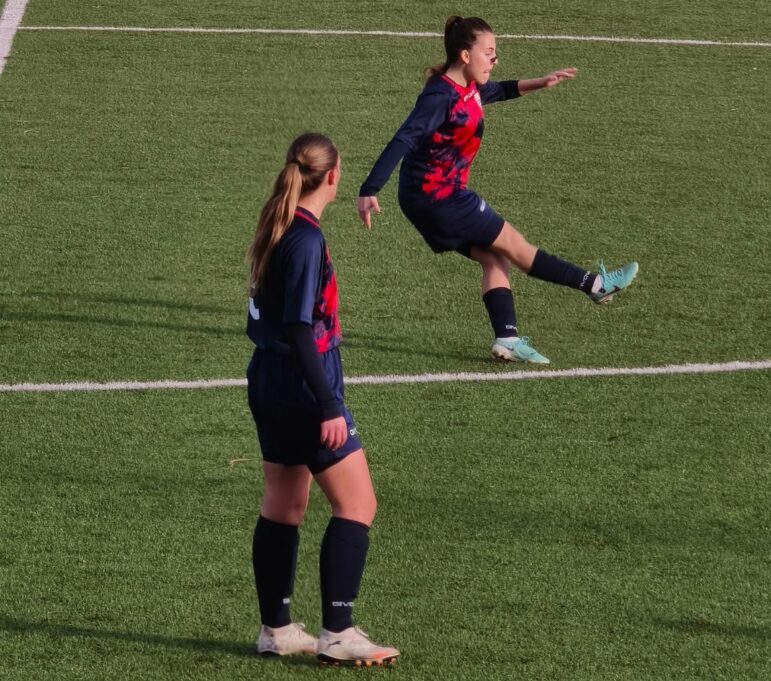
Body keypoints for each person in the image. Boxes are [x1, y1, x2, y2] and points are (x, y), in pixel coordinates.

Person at [357, 15, 639, 365]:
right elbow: (405, 137)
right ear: (464, 55)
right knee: (518, 248)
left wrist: (542, 81)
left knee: (495, 258)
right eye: (489, 51)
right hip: (439, 197)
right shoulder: (440, 96)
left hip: (429, 197)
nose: (495, 58)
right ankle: (596, 285)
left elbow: (499, 90)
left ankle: (507, 338)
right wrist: (369, 188)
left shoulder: (468, 88)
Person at [245, 132, 399, 667]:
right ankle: (338, 630)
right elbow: (298, 326)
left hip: (267, 381)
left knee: (285, 505)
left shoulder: (277, 225)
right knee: (358, 503)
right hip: (304, 384)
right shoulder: (307, 239)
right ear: (332, 176)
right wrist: (329, 403)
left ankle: (277, 628)